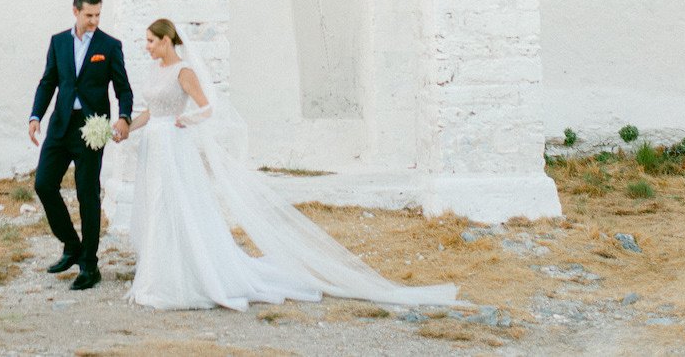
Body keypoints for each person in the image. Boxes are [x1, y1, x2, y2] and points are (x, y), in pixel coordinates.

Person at [126, 18, 459, 313]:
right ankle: (159, 277)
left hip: (175, 145)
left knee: (180, 207)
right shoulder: (155, 70)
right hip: (154, 146)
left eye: (151, 41)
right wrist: (126, 128)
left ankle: (190, 278)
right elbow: (150, 111)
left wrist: (188, 119)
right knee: (158, 206)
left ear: (167, 40)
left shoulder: (184, 72)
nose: (148, 46)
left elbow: (207, 108)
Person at [29, 0, 133, 291]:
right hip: (60, 125)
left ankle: (90, 264)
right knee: (44, 184)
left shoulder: (109, 46)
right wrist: (35, 116)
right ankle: (71, 244)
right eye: (89, 15)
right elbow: (48, 81)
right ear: (75, 12)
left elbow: (123, 89)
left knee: (88, 195)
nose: (94, 21)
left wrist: (124, 117)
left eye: (98, 15)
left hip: (92, 129)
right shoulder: (58, 42)